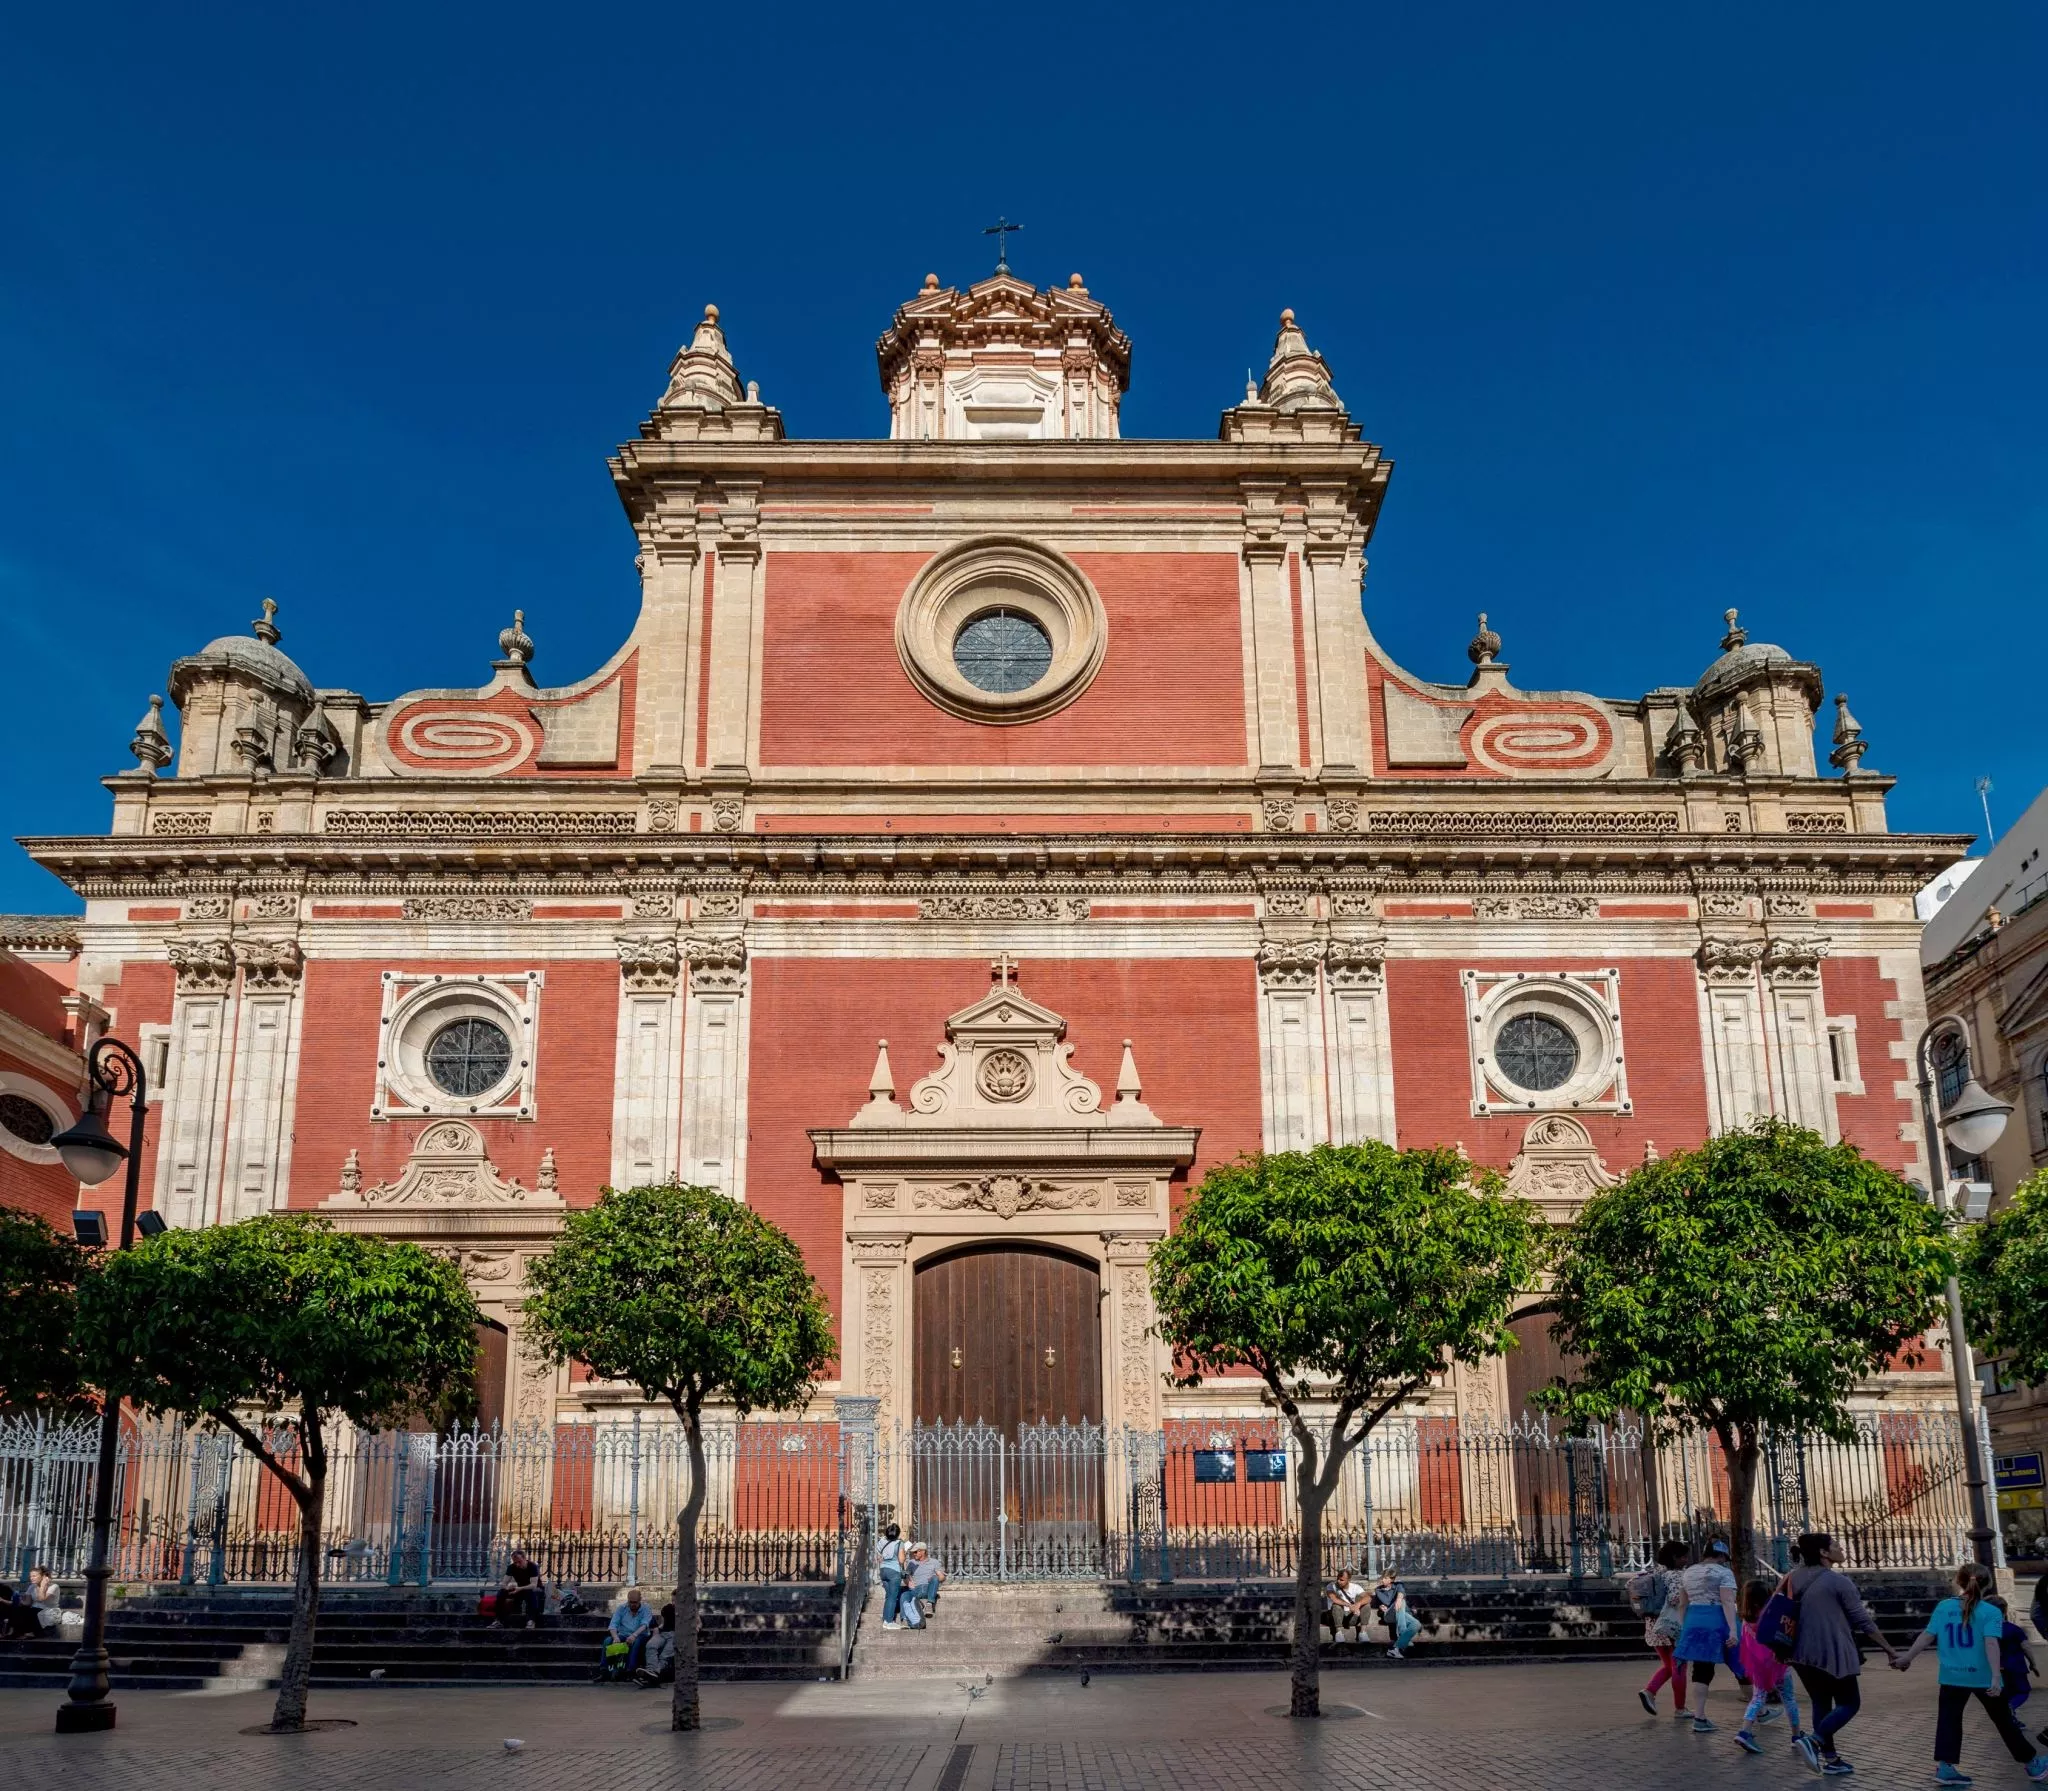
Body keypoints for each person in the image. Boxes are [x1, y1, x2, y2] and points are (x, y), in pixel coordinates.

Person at [1895, 1561, 2048, 1784]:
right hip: (1982, 1676)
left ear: (1959, 1581)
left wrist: (1907, 1657)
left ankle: (1946, 1768)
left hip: (1951, 1675)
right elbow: (1991, 1644)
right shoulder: (1991, 1612)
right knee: (2004, 1721)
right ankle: (2032, 1764)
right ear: (1988, 1583)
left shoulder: (1944, 1607)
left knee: (1949, 1720)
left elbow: (1927, 1635)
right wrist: (1996, 1677)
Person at [1785, 1531, 1899, 1775]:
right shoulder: (1838, 1582)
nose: (1841, 1548)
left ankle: (1831, 1758)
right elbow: (1862, 1620)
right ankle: (1814, 1741)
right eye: (1836, 1545)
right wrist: (1889, 1649)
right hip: (1832, 1652)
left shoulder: (1791, 1578)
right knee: (1849, 1703)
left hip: (1800, 1653)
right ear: (1824, 1553)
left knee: (1821, 1702)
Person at [1734, 1576, 1808, 1758]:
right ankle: (1796, 1735)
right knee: (1789, 1697)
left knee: (1758, 1698)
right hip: (1777, 1663)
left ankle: (1745, 1731)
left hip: (1757, 1666)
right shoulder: (1769, 1615)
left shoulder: (1745, 1619)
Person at [1674, 1538, 1740, 1733]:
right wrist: (1733, 1630)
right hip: (1716, 1618)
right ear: (1721, 1555)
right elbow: (1727, 1601)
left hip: (1693, 1619)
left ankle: (1700, 1716)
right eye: (1723, 1558)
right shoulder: (1724, 1573)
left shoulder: (1688, 1572)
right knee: (1738, 1659)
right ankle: (1759, 1709)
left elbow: (1682, 1603)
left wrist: (1683, 1626)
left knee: (1701, 1669)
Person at [1634, 1540, 1693, 1717]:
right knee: (1679, 1667)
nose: (1686, 1560)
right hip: (1672, 1626)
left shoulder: (1653, 1572)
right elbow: (1676, 1599)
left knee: (1669, 1665)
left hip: (1653, 1626)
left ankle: (1650, 1691)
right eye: (1683, 1557)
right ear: (1675, 1558)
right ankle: (1680, 1708)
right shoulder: (1675, 1576)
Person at [596, 1586, 655, 1681]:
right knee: (607, 1641)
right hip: (623, 1634)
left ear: (640, 1600)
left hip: (640, 1635)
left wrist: (634, 1635)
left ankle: (630, 1671)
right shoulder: (621, 1608)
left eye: (635, 1602)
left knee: (636, 1642)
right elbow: (613, 1625)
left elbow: (644, 1625)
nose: (632, 1604)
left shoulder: (646, 1608)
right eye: (630, 1602)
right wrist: (615, 1637)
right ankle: (604, 1671)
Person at [1371, 1569, 1420, 1659]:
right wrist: (1381, 1607)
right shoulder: (1378, 1590)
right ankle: (1403, 1634)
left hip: (1400, 1613)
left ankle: (1394, 1650)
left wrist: (1399, 1599)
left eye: (1386, 1578)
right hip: (1388, 1615)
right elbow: (1378, 1604)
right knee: (1401, 1603)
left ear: (1392, 1580)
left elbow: (1401, 1593)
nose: (1383, 1580)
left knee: (1416, 1624)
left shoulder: (1399, 1585)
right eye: (1382, 1578)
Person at [900, 1544, 945, 1629]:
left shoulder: (934, 1562)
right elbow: (906, 1577)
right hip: (916, 1589)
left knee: (935, 1578)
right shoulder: (911, 1563)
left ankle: (929, 1604)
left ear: (923, 1551)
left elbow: (942, 1577)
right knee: (904, 1595)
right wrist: (908, 1582)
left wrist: (936, 1577)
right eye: (913, 1552)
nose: (914, 1554)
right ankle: (904, 1619)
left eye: (916, 1552)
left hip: (928, 1588)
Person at [498, 1549, 545, 1629]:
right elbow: (503, 1583)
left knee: (530, 1592)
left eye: (519, 1562)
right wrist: (507, 1587)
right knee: (502, 1592)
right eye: (515, 1562)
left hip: (536, 1589)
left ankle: (531, 1620)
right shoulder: (511, 1567)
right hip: (520, 1589)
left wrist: (519, 1588)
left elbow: (533, 1585)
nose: (517, 1564)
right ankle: (498, 1620)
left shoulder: (532, 1566)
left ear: (524, 1558)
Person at [634, 1603, 677, 1687]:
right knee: (650, 1645)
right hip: (663, 1633)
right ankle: (651, 1671)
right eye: (672, 1599)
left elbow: (698, 1623)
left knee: (665, 1655)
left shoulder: (687, 1610)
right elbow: (663, 1622)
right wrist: (658, 1628)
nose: (673, 1602)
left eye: (675, 1600)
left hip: (676, 1635)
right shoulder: (668, 1608)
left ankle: (653, 1674)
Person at [1323, 1565, 1370, 1643]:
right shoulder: (1331, 1586)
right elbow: (1334, 1599)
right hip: (1334, 1617)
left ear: (1348, 1580)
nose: (1338, 1581)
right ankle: (1339, 1633)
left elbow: (1368, 1598)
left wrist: (1358, 1604)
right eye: (1338, 1579)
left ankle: (1363, 1633)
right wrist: (1349, 1605)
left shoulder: (1355, 1587)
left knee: (1366, 1605)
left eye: (1342, 1580)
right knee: (1336, 1606)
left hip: (1350, 1617)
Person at [878, 1522, 910, 1631]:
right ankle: (889, 1622)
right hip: (894, 1571)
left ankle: (885, 1619)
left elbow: (878, 1557)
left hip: (883, 1570)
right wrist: (904, 1553)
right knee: (892, 1597)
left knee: (888, 1596)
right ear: (898, 1533)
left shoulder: (881, 1541)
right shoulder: (899, 1543)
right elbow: (901, 1560)